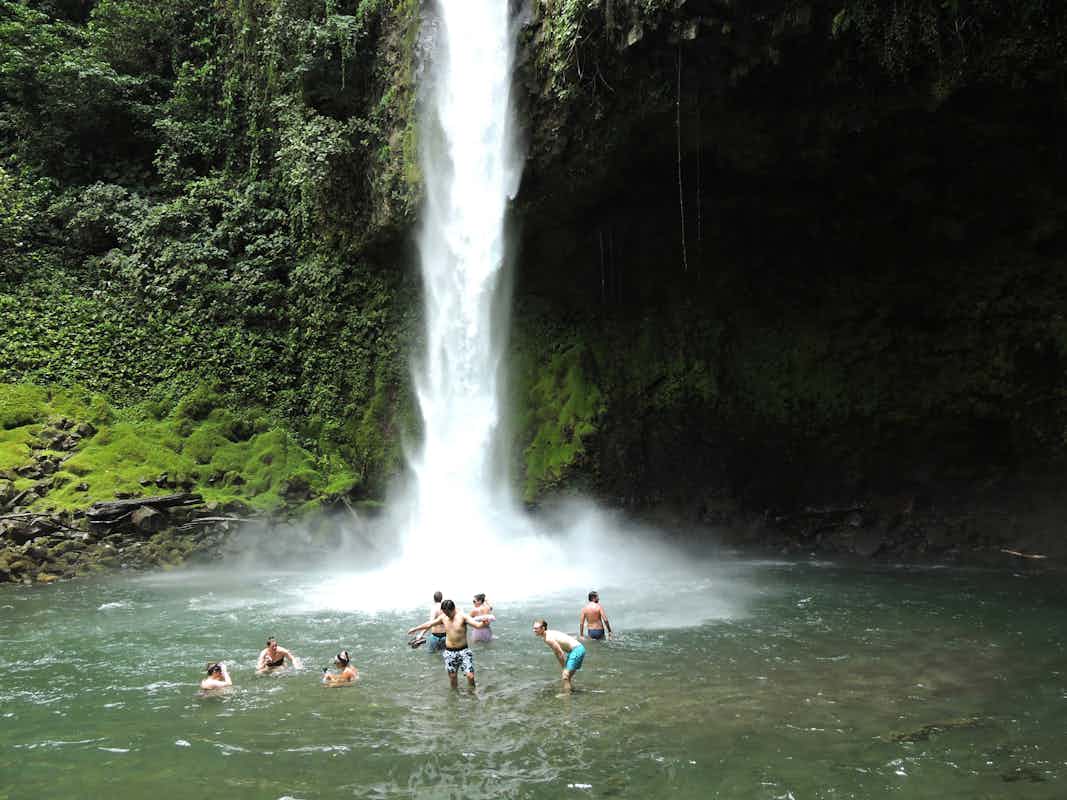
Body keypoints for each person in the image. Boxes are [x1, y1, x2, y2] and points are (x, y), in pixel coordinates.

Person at [407, 599, 490, 688]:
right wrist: (415, 629)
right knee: (453, 678)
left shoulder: (463, 616)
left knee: (470, 676)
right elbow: (429, 624)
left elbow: (477, 625)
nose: (446, 615)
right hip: (449, 652)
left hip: (463, 651)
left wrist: (483, 624)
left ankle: (472, 695)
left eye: (448, 613)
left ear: (453, 609)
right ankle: (455, 697)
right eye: (444, 613)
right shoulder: (444, 617)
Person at [533, 619, 585, 692]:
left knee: (565, 676)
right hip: (576, 650)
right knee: (567, 677)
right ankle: (571, 691)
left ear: (543, 628)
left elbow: (559, 653)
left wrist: (564, 668)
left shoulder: (548, 638)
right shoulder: (547, 634)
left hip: (576, 650)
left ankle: (567, 696)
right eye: (533, 628)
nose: (534, 630)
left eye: (536, 628)